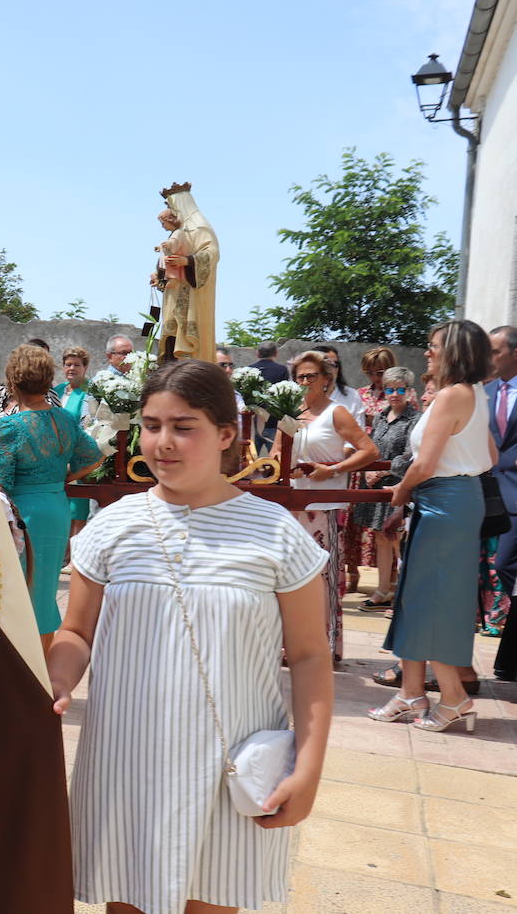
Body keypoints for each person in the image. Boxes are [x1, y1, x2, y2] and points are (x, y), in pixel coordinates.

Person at [50, 359, 332, 914]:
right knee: (124, 901)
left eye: (184, 427)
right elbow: (77, 631)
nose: (164, 442)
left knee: (214, 900)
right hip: (127, 761)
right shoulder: (112, 525)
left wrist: (309, 765)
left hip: (227, 768)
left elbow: (308, 656)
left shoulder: (276, 533)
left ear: (227, 434)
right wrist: (58, 676)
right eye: (152, 425)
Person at [370, 319, 494, 732]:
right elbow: (489, 455)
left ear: (454, 351)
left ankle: (453, 697)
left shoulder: (452, 396)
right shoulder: (474, 394)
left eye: (434, 345)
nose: (427, 352)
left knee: (432, 598)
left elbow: (423, 464)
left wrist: (401, 491)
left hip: (443, 501)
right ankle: (410, 692)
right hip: (453, 500)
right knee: (417, 594)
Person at [0, 345, 101, 650]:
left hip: (24, 513)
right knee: (44, 591)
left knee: (19, 595)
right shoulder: (64, 419)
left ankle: (30, 678)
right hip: (56, 507)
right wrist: (64, 478)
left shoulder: (10, 425)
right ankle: (45, 673)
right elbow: (94, 456)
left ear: (12, 382)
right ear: (49, 379)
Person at [276, 350, 378, 663]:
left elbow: (369, 451)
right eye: (299, 376)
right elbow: (276, 452)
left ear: (326, 380)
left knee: (323, 578)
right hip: (292, 504)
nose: (304, 381)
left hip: (325, 505)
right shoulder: (291, 412)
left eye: (310, 376)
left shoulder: (337, 413)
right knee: (289, 577)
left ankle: (326, 645)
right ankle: (287, 644)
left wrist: (332, 470)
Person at [351, 366, 420, 612]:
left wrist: (383, 471)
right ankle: (383, 590)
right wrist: (368, 469)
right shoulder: (381, 415)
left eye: (400, 389)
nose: (394, 394)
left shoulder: (414, 419)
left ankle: (402, 594)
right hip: (375, 483)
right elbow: (371, 445)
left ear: (409, 391)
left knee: (397, 540)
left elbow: (411, 454)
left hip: (397, 485)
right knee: (381, 537)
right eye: (390, 389)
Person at [153, 184, 219, 363]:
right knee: (170, 336)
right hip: (174, 292)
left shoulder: (199, 226)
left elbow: (212, 254)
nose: (169, 209)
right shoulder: (179, 230)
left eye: (169, 204)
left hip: (191, 294)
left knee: (187, 341)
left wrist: (188, 261)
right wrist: (159, 275)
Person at [488, 326, 517, 681]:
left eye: (495, 351)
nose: (489, 358)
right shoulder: (484, 392)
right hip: (484, 494)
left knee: (506, 565)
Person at [52, 346, 97, 538]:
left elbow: (87, 424)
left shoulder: (90, 392)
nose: (72, 368)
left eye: (77, 365)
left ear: (85, 368)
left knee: (78, 507)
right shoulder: (57, 390)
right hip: (54, 455)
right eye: (68, 364)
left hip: (76, 455)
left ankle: (74, 557)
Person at [311, 344, 366, 426]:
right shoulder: (302, 397)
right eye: (327, 364)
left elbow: (360, 430)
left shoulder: (352, 395)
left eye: (336, 364)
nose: (332, 368)